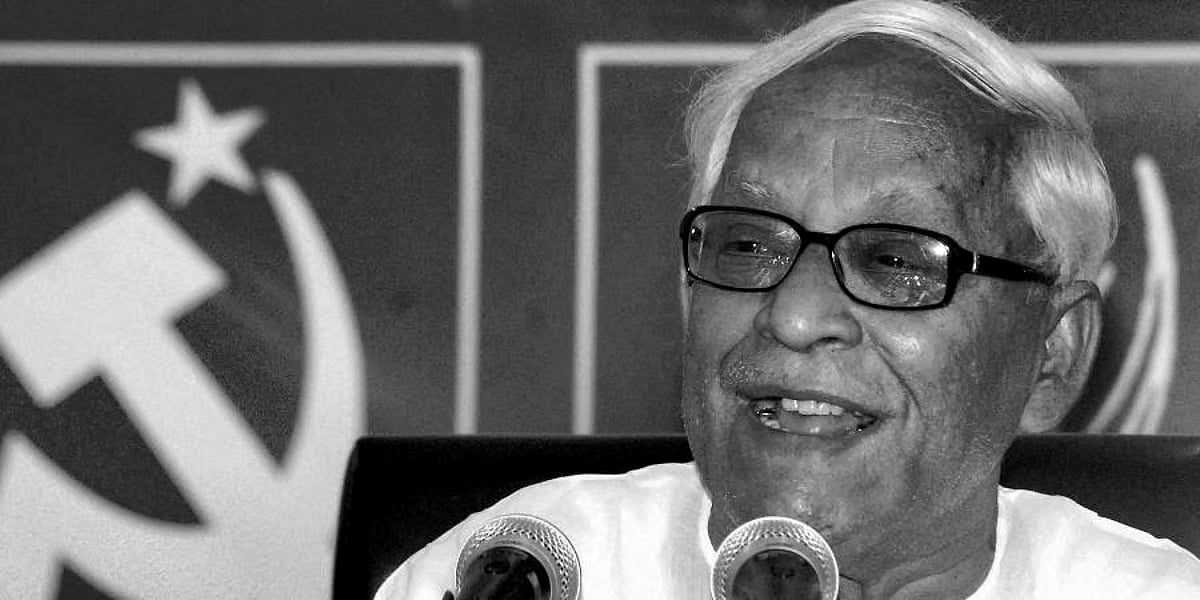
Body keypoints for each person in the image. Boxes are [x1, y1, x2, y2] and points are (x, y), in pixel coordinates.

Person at [375, 0, 1200, 598]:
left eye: (896, 259)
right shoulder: (522, 573)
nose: (795, 316)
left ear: (1052, 355)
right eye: (748, 245)